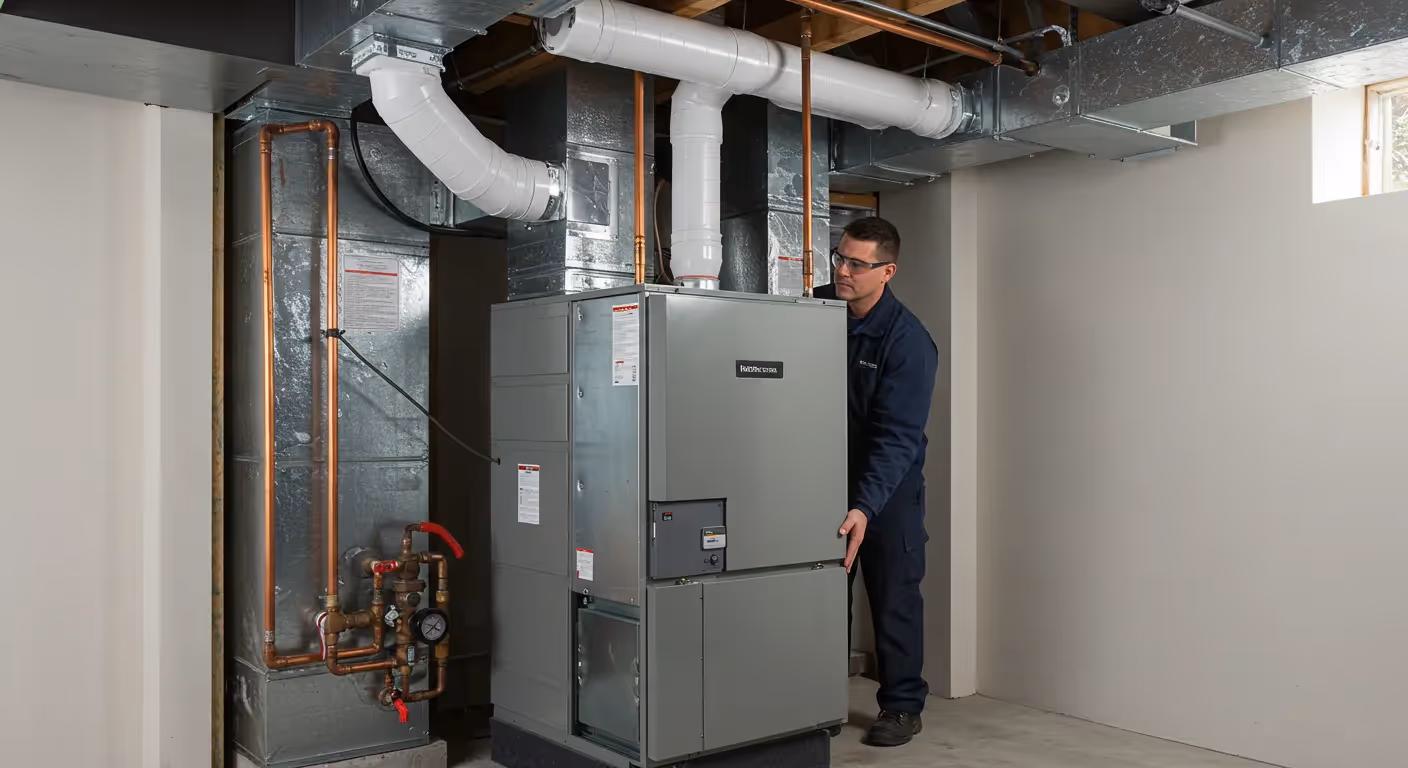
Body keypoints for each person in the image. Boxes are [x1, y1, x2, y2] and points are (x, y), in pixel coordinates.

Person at [814, 217, 937, 748]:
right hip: (821, 479)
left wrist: (864, 506)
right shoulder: (813, 309)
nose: (842, 270)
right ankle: (812, 698)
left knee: (893, 595)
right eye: (839, 257)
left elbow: (897, 437)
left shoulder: (908, 342)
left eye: (857, 264)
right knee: (818, 594)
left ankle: (902, 707)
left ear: (886, 271)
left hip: (887, 491)